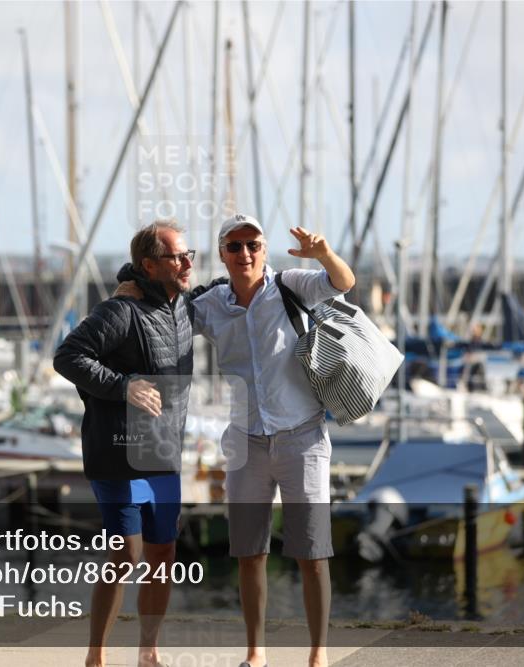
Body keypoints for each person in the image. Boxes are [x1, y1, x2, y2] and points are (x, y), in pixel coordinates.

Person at [116, 213, 355, 667]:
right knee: (249, 553)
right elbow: (166, 307)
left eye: (253, 245)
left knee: (312, 554)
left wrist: (324, 253)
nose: (245, 253)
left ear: (263, 250)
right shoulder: (210, 305)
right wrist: (131, 288)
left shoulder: (290, 285)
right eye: (234, 246)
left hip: (302, 435)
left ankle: (318, 655)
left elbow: (342, 282)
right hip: (246, 441)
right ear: (223, 254)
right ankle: (256, 654)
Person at [53, 220, 196, 667]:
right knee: (125, 552)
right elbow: (67, 356)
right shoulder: (120, 310)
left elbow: (232, 291)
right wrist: (123, 386)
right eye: (176, 256)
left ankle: (148, 652)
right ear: (149, 265)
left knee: (163, 551)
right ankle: (96, 656)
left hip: (164, 454)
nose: (186, 263)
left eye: (188, 254)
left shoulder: (184, 305)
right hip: (118, 452)